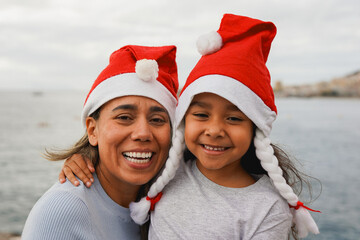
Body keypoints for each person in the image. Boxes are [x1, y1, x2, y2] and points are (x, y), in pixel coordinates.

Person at [60, 14, 321, 239]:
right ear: (183, 121)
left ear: (256, 128)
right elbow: (126, 164)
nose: (215, 130)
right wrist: (84, 157)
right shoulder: (167, 174)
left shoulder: (267, 209)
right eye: (201, 115)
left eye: (234, 118)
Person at [21, 45, 179, 240]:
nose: (143, 133)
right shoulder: (63, 210)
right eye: (124, 117)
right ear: (92, 130)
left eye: (157, 120)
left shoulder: (168, 200)